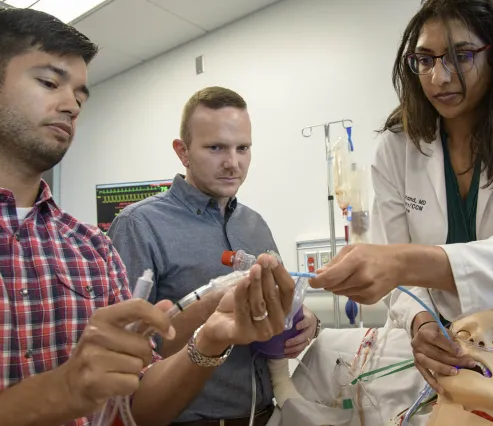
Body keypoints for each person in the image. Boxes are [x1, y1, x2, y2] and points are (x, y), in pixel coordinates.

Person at [0, 9, 294, 426]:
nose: (71, 105)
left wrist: (210, 338)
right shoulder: (137, 224)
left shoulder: (89, 249)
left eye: (81, 97)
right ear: (183, 151)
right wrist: (62, 390)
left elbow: (134, 400)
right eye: (49, 83)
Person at [310, 0, 493, 396]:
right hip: (453, 343)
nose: (438, 76)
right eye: (425, 60)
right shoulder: (399, 148)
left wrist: (402, 261)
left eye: (460, 56)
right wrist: (421, 323)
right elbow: (399, 281)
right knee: (326, 367)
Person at [108, 86, 320, 425]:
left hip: (266, 416)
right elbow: (128, 354)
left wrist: (306, 320)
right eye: (216, 147)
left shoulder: (255, 225)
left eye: (243, 148)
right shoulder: (138, 225)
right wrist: (207, 311)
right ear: (183, 151)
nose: (232, 163)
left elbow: (279, 305)